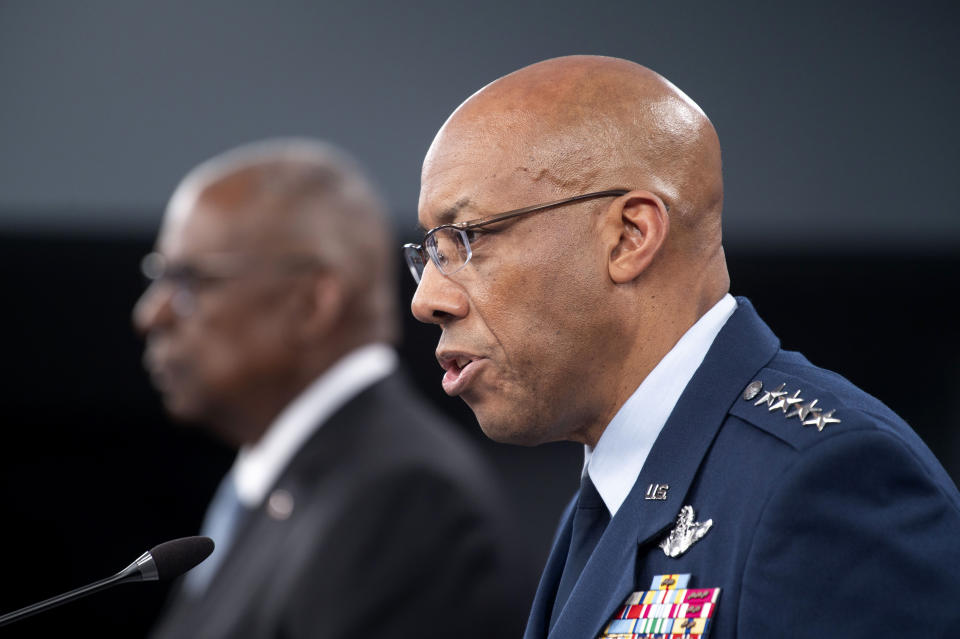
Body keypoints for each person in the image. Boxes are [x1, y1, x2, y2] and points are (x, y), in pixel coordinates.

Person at [404, 55, 960, 638]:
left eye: (466, 238)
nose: (427, 299)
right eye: (430, 253)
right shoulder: (608, 498)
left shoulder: (827, 481)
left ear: (629, 236)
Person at [134, 138, 526, 639]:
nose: (151, 315)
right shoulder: (284, 483)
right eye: (159, 277)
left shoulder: (401, 501)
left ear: (312, 304)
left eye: (189, 280)